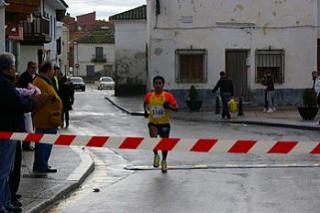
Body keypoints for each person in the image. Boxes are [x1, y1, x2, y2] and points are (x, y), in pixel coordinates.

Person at [0, 53, 44, 213]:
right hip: (6, 132)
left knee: (7, 170)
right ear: (9, 68)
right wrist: (33, 101)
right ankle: (2, 204)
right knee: (3, 171)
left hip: (10, 131)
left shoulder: (7, 83)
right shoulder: (4, 85)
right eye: (13, 66)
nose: (14, 70)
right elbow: (17, 103)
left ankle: (5, 202)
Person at [32, 62, 63, 173]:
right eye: (52, 70)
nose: (54, 72)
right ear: (48, 70)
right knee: (44, 143)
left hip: (49, 119)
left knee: (45, 143)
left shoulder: (43, 81)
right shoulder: (40, 82)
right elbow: (38, 100)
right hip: (45, 119)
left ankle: (42, 163)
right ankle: (41, 165)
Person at [144, 76, 178, 173]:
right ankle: (156, 155)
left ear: (163, 85)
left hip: (164, 123)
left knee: (164, 145)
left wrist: (169, 107)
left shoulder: (168, 96)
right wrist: (146, 111)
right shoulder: (149, 96)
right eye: (156, 83)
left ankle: (164, 161)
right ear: (153, 85)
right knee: (153, 139)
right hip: (153, 122)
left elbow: (177, 108)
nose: (158, 85)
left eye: (160, 83)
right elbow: (145, 103)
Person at [17, 61, 38, 151]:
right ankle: (25, 144)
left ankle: (28, 143)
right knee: (26, 126)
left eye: (35, 67)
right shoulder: (24, 77)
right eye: (33, 67)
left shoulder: (35, 76)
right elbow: (23, 90)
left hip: (32, 103)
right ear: (28, 67)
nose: (34, 69)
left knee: (30, 126)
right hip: (26, 103)